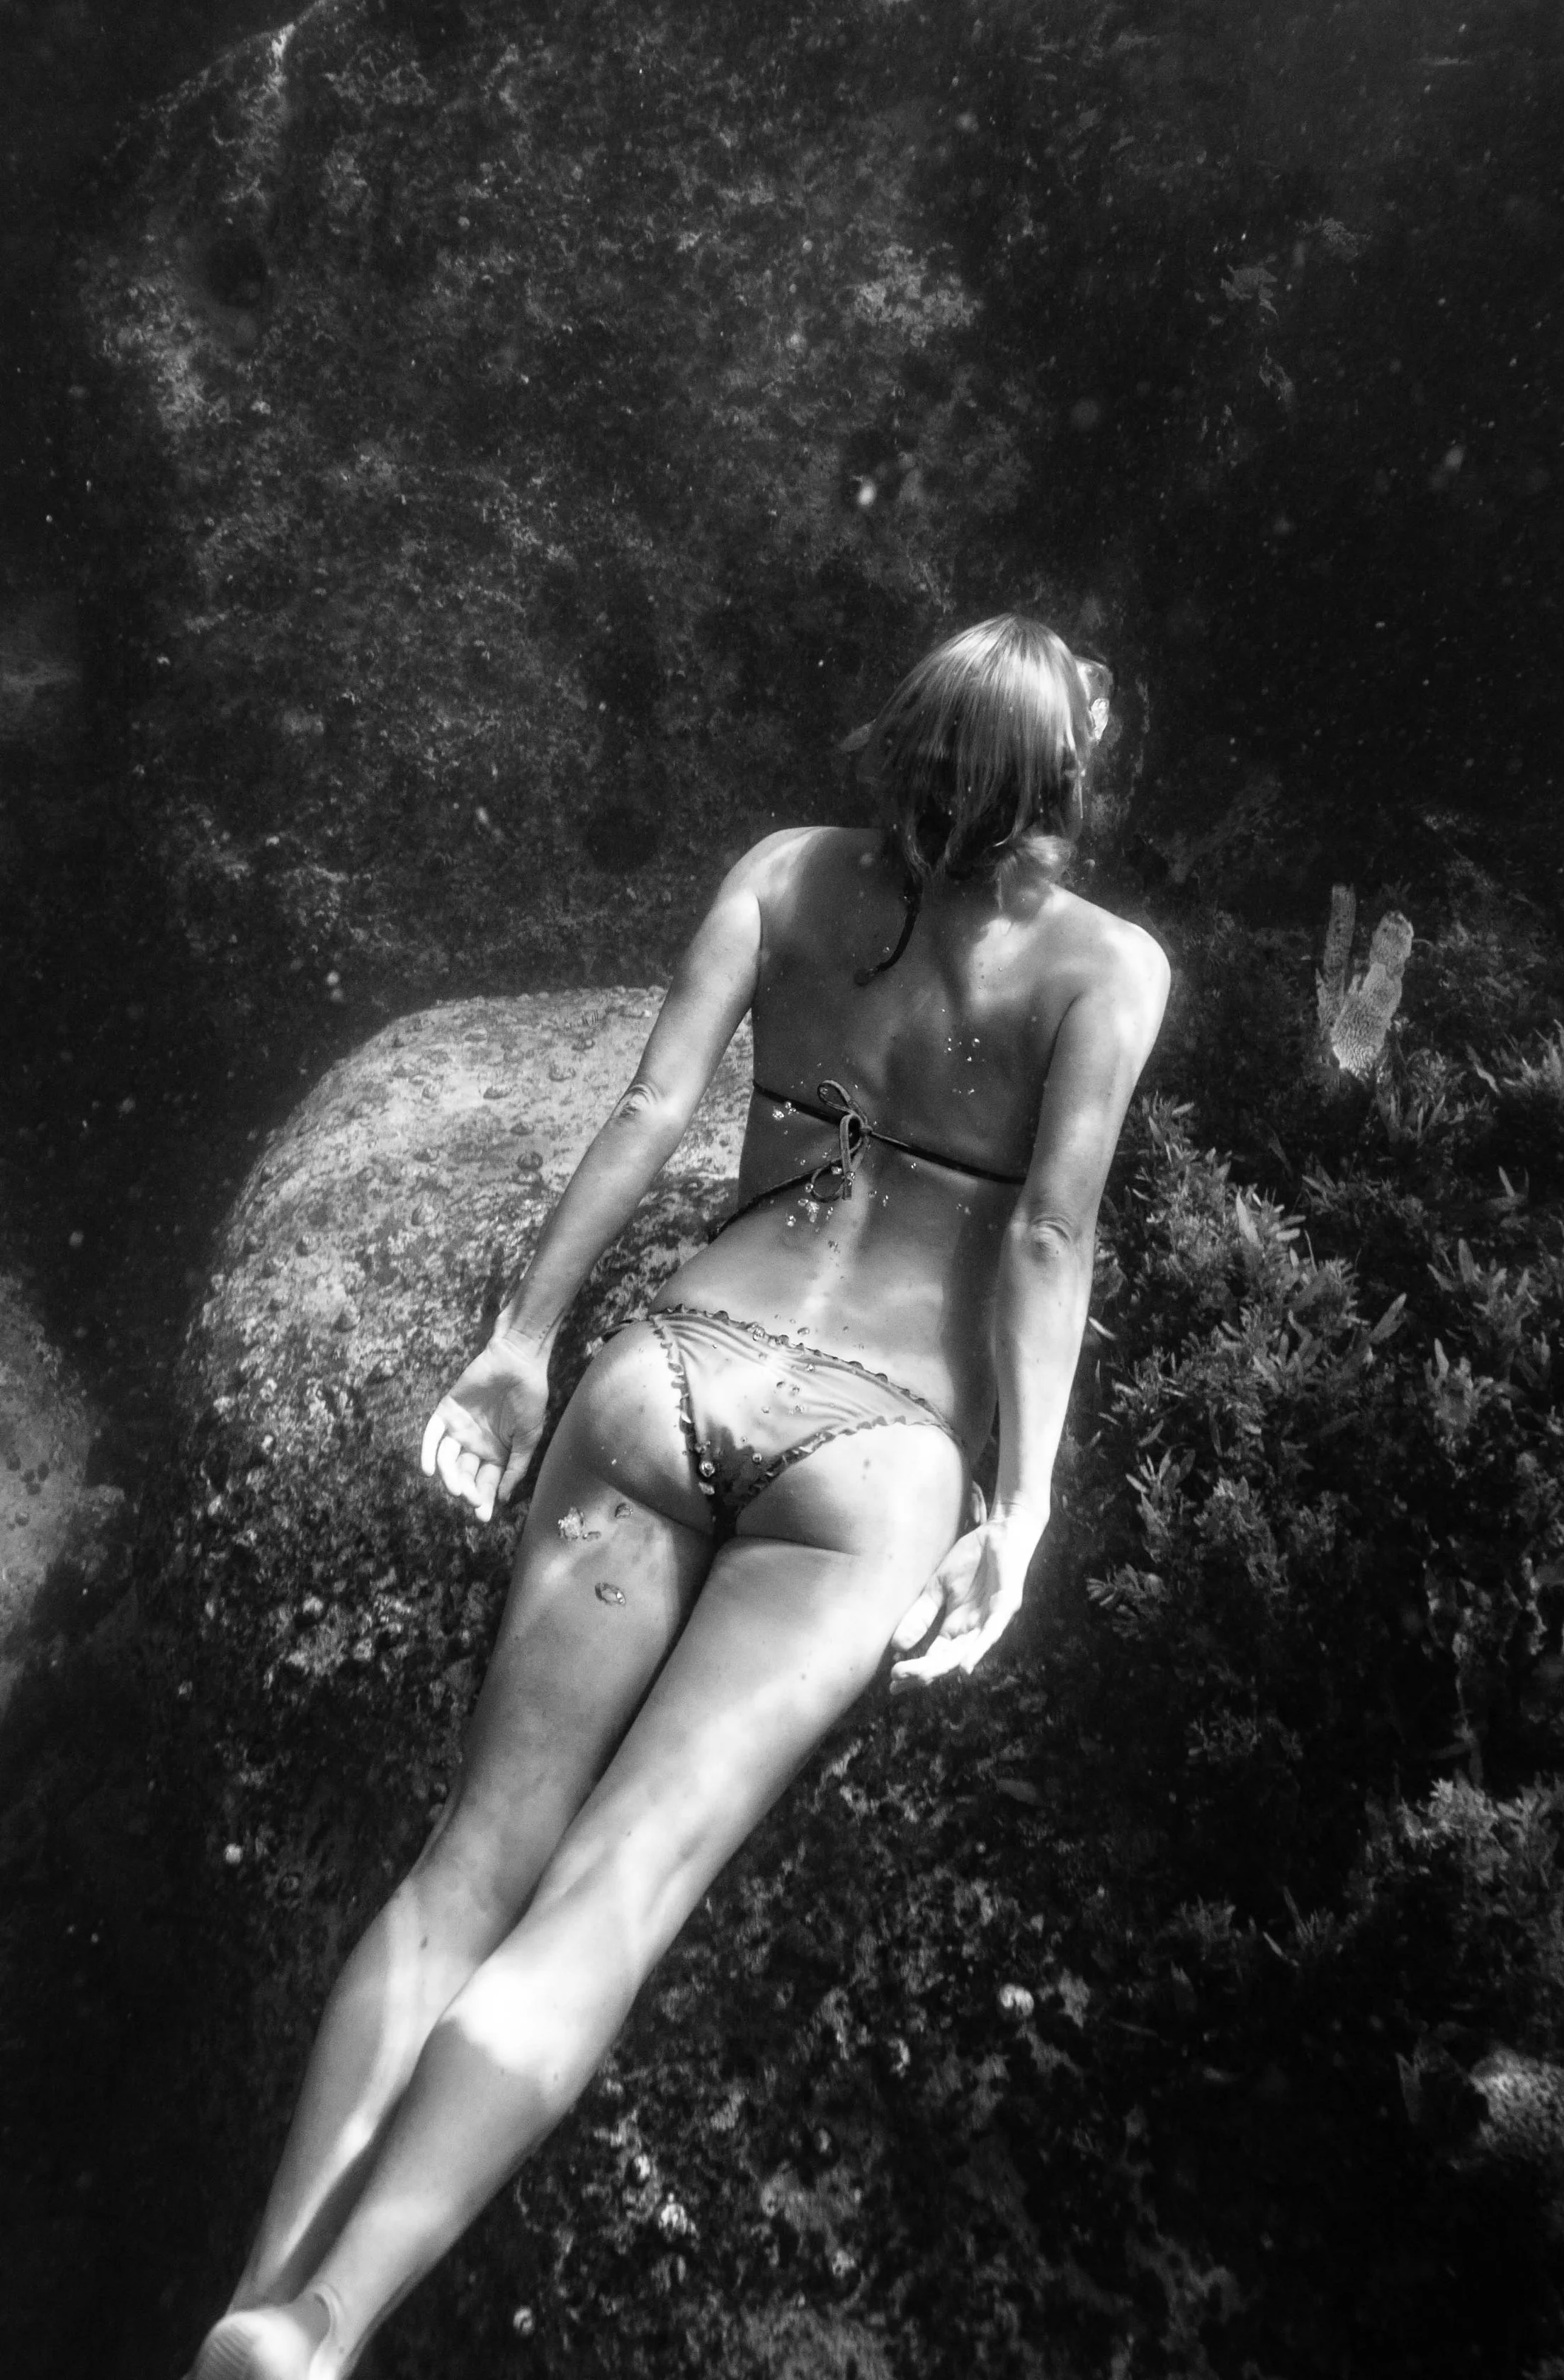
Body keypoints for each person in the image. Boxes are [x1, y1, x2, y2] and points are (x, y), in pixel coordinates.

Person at [187, 614, 1170, 2380]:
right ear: (1070, 781)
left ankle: (257, 2290)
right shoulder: (1108, 970)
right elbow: (1042, 1233)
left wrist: (518, 1340)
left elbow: (649, 1108)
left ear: (915, 747)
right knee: (613, 1891)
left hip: (673, 1369)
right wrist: (1015, 1515)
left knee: (464, 1863)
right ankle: (330, 2335)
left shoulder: (788, 874)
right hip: (871, 1446)